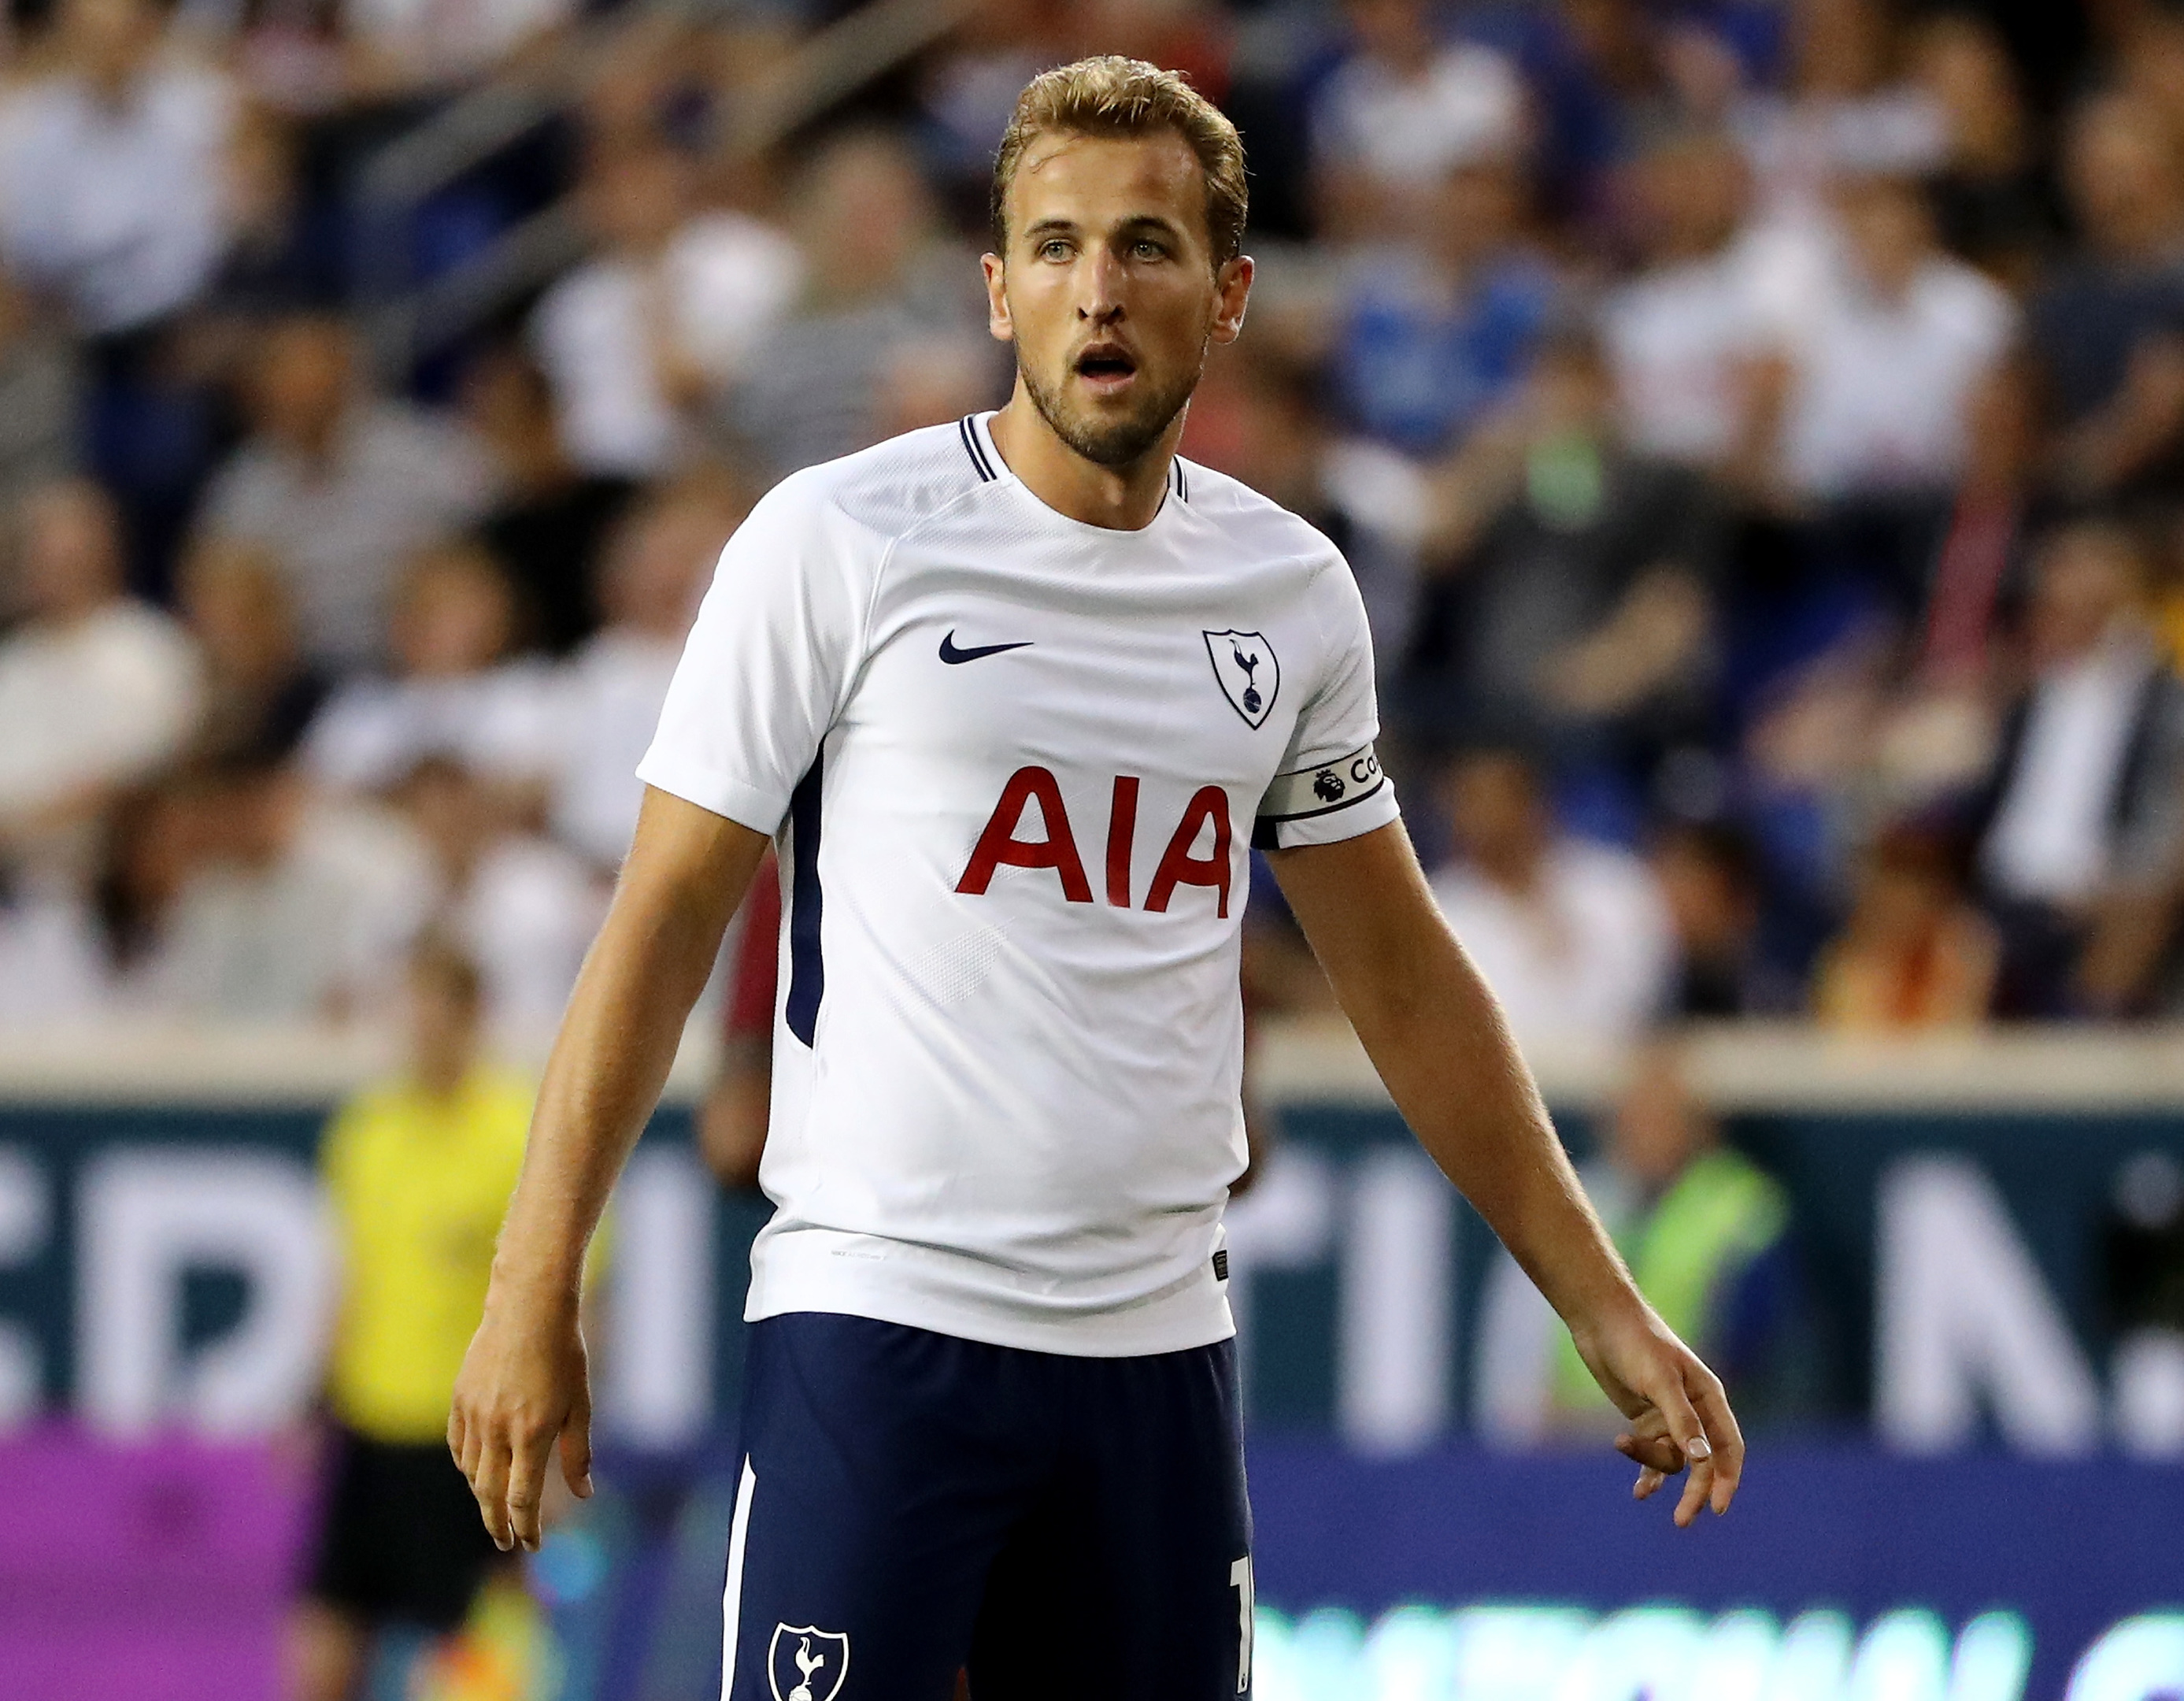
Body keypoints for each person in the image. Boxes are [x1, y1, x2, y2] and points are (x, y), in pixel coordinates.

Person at [449, 59, 1744, 1701]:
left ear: (1231, 293)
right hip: (879, 1334)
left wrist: (1601, 1301)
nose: (1098, 289)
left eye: (1146, 246)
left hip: (1156, 1369)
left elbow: (1405, 979)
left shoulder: (1290, 594)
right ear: (997, 290)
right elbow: (657, 931)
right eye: (1054, 248)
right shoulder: (834, 543)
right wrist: (532, 1280)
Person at [288, 934, 533, 1701]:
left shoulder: (518, 1134)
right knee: (324, 1643)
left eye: (433, 1009)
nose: (418, 1028)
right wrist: (313, 1401)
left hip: (464, 1439)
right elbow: (348, 1282)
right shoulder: (366, 1131)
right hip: (369, 1427)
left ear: (471, 1016)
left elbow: (571, 1301)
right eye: (408, 1009)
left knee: (472, 1662)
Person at [1425, 746, 1678, 1047]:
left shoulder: (1615, 884)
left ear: (1538, 805)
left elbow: (1651, 998)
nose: (1489, 818)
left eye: (1503, 799)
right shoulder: (1438, 909)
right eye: (1473, 801)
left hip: (1613, 1075)